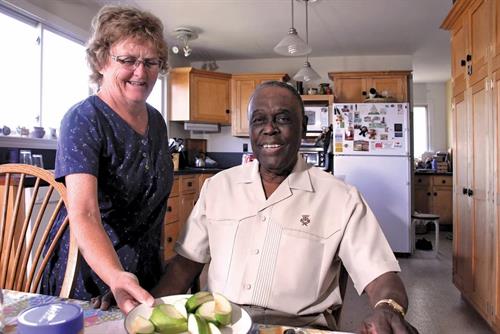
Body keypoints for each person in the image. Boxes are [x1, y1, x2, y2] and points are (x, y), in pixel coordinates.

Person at [153, 81, 418, 333]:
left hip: (300, 329)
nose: (270, 129)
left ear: (303, 127)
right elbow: (184, 265)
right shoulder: (217, 187)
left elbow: (381, 275)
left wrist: (389, 309)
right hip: (223, 324)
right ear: (250, 128)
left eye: (282, 118)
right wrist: (146, 308)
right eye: (259, 120)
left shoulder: (341, 199)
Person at [41, 5, 172, 314]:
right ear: (101, 61)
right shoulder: (84, 119)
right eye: (128, 60)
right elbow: (84, 213)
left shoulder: (156, 121)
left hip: (143, 274)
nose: (141, 72)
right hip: (93, 280)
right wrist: (113, 277)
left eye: (150, 62)